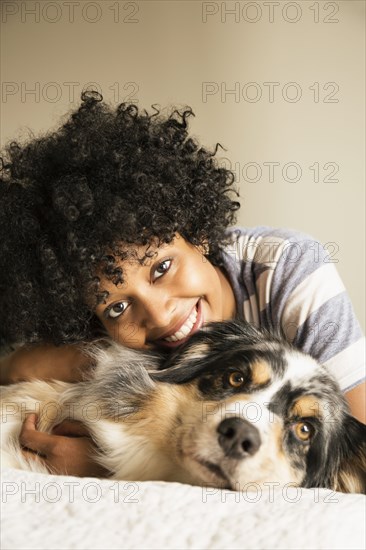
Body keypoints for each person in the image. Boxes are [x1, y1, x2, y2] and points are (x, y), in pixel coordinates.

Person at [0, 91, 364, 478]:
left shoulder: (288, 269)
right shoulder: (112, 324)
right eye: (117, 307)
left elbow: (352, 445)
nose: (160, 315)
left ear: (197, 233)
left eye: (162, 268)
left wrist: (99, 465)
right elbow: (19, 367)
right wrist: (93, 359)